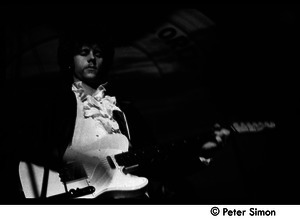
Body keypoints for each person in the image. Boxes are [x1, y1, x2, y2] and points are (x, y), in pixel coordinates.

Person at [1, 24, 228, 203]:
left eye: (98, 53)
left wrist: (199, 155)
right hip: (73, 195)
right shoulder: (53, 102)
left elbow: (154, 159)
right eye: (84, 52)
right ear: (70, 59)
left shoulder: (124, 109)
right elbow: (25, 144)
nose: (92, 58)